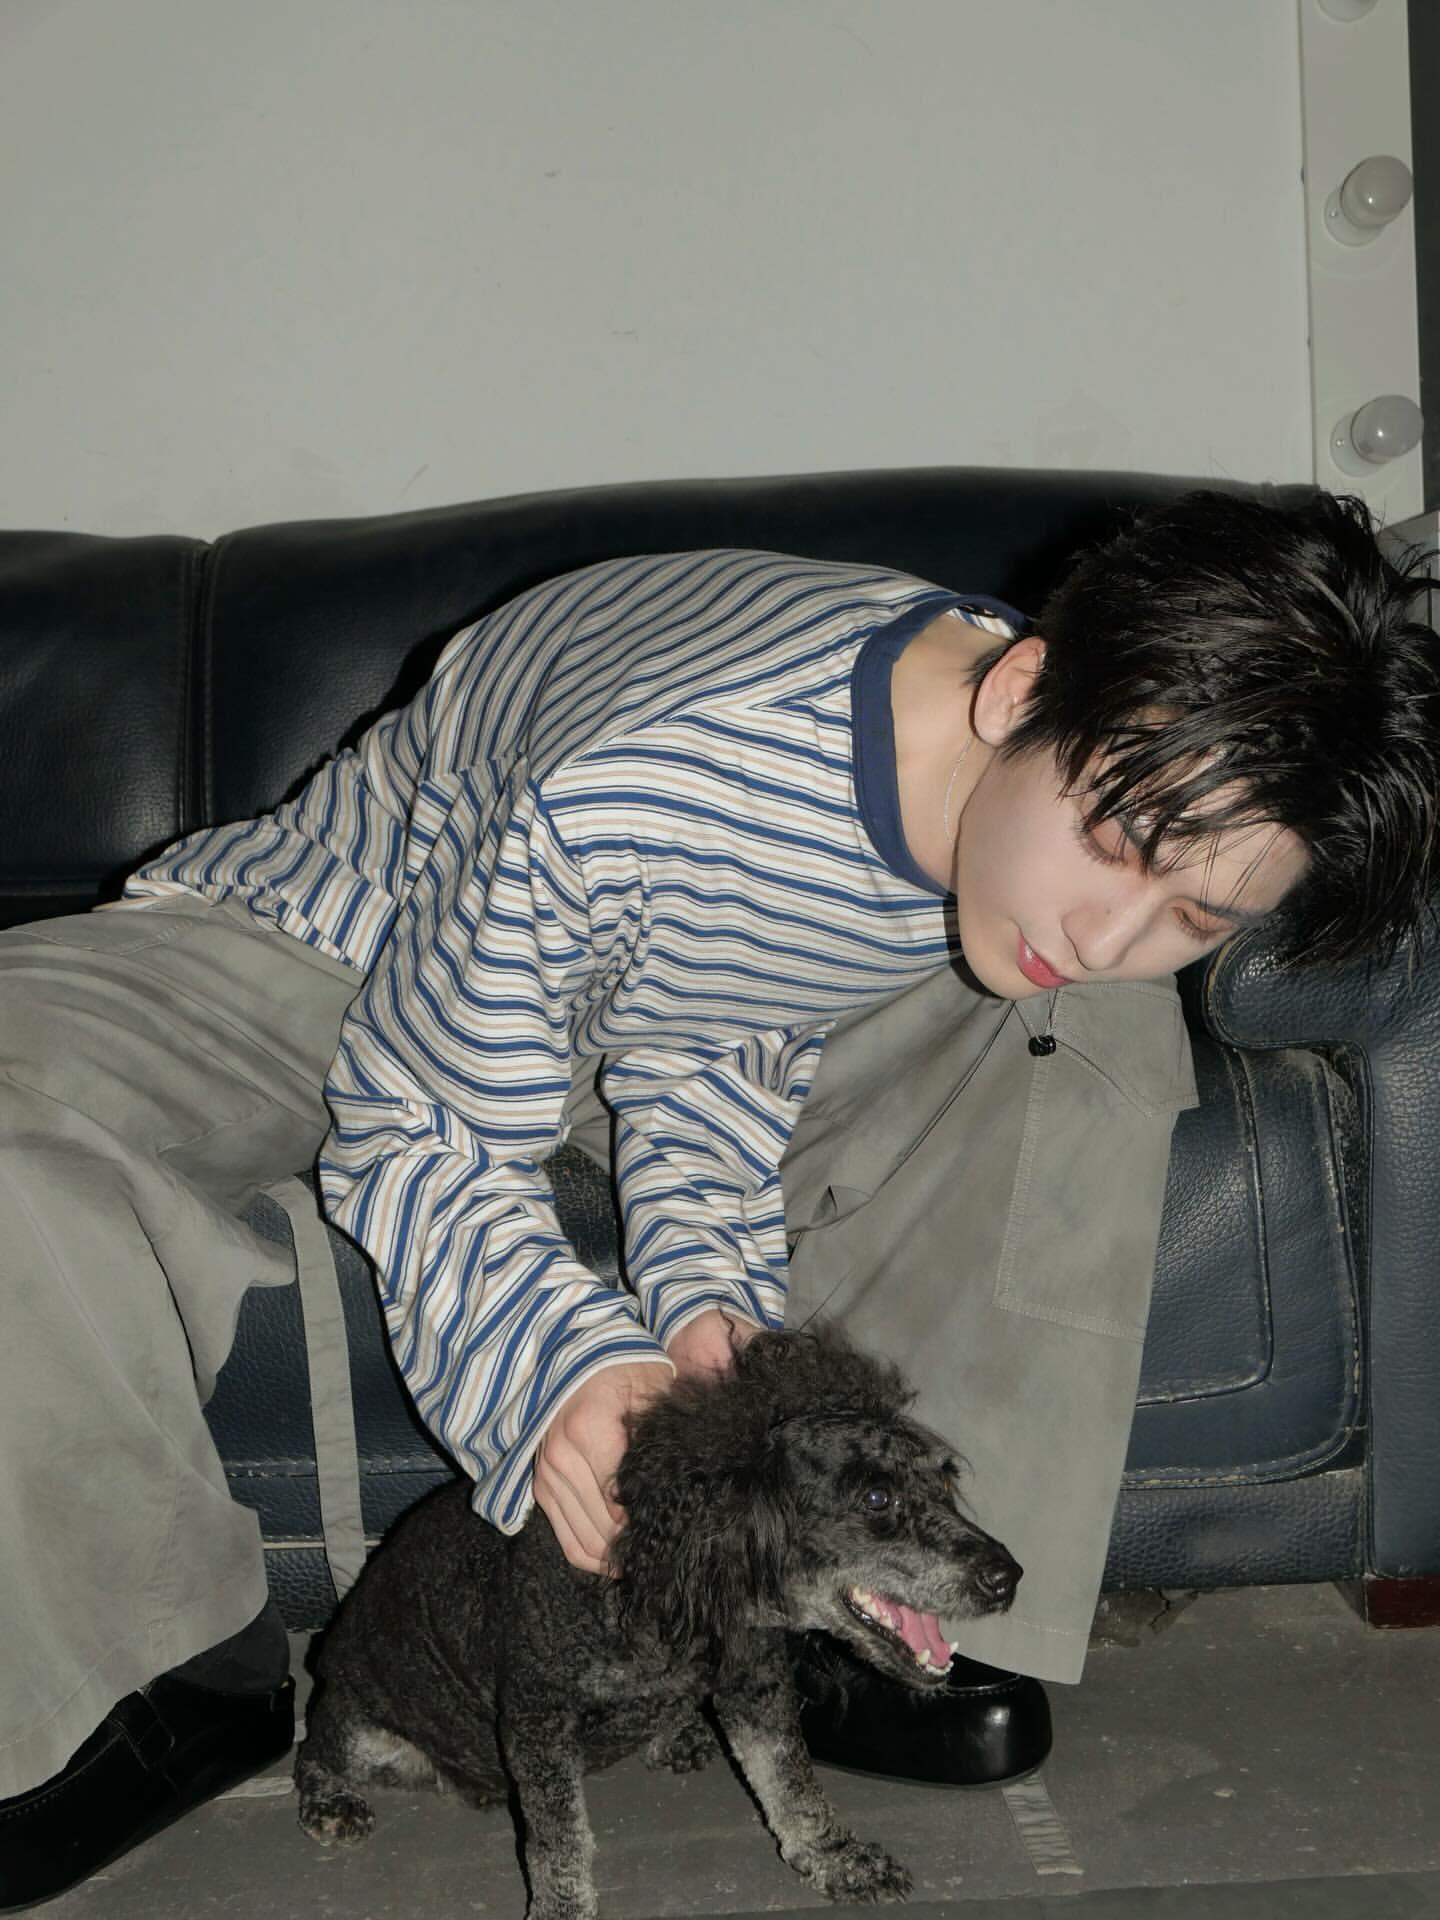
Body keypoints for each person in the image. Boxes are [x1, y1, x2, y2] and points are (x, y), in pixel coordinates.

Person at [1, 487, 1435, 1910]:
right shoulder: (659, 771)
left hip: (641, 999)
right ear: (1020, 691)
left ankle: (874, 1606)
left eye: (1197, 914)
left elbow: (717, 1025)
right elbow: (425, 1116)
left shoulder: (1075, 782)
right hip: (340, 940)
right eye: (1116, 849)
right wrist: (565, 1367)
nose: (1113, 930)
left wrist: (709, 1311)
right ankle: (157, 1675)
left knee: (1079, 1011)